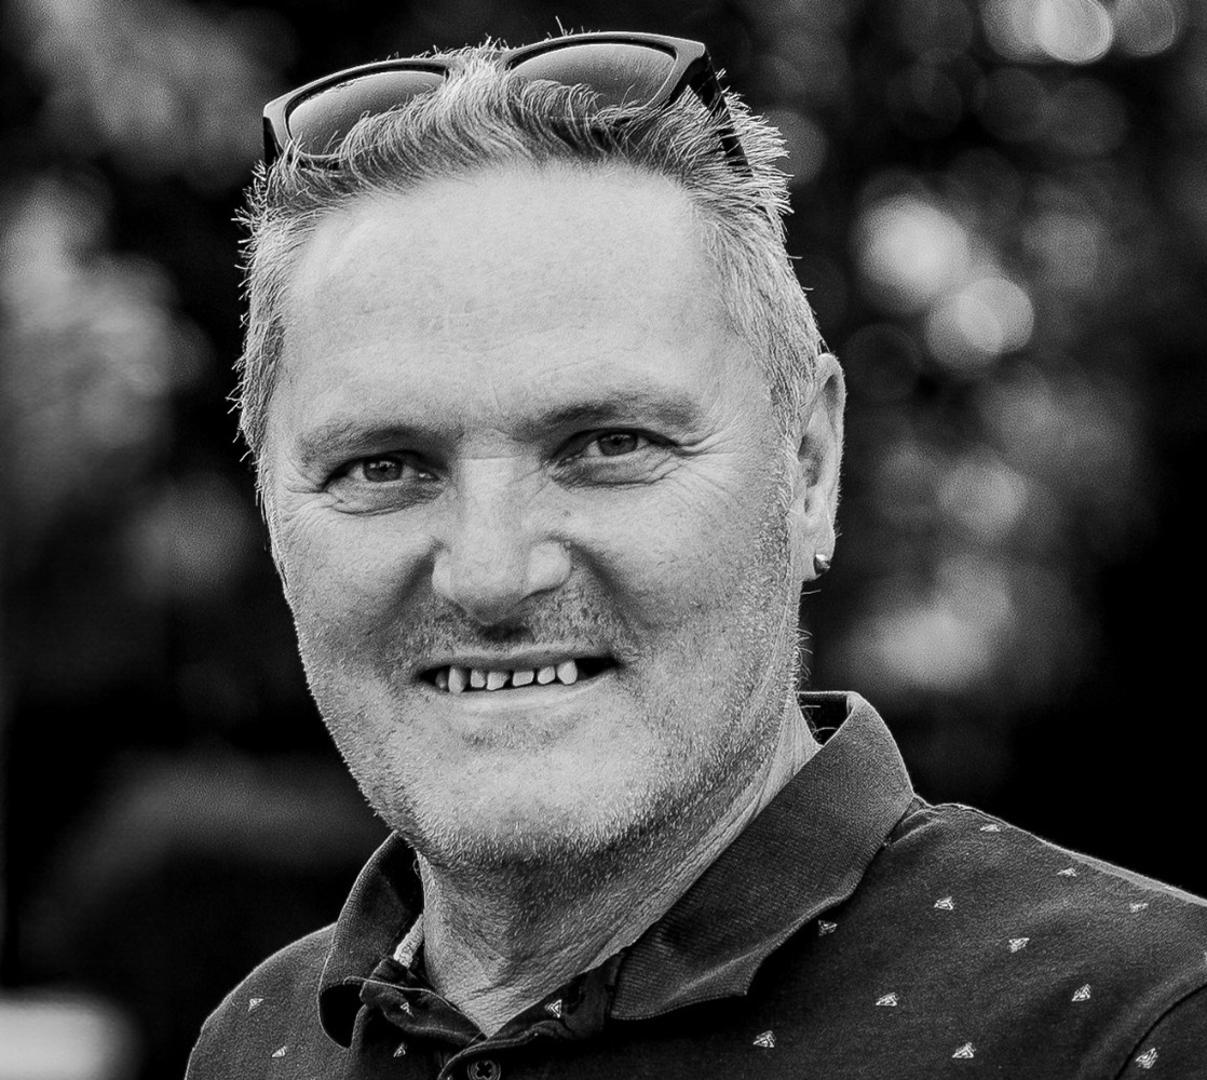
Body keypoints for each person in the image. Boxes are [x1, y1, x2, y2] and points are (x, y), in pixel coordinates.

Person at [186, 31, 1207, 1078]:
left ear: (807, 468)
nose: (491, 574)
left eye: (608, 446)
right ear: (273, 515)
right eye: (383, 466)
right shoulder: (258, 1044)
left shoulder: (1141, 1029)